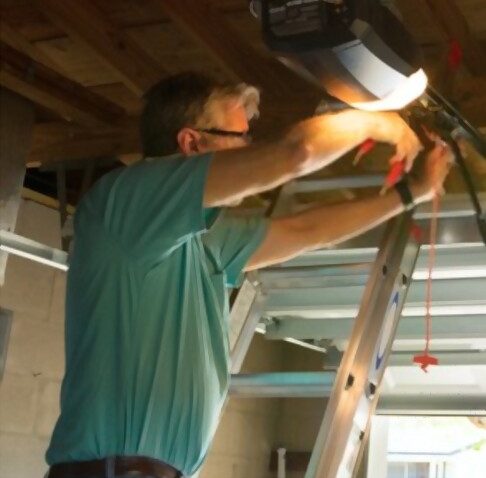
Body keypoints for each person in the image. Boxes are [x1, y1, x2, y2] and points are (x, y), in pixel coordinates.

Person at [44, 72, 452, 478]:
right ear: (192, 142)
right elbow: (295, 153)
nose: (249, 149)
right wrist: (376, 119)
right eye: (239, 138)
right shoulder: (125, 205)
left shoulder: (204, 235)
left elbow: (304, 231)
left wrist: (410, 192)